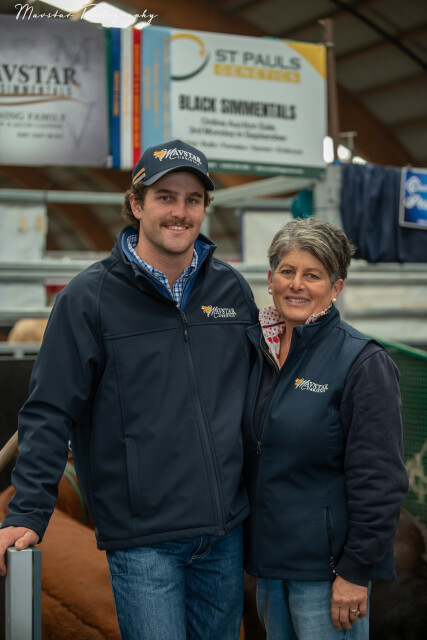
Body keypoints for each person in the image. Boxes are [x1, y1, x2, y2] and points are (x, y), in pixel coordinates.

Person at [0, 139, 258, 640]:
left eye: (193, 199)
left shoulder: (231, 290)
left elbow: (256, 400)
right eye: (166, 197)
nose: (180, 211)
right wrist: (28, 510)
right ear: (137, 204)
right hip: (144, 539)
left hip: (223, 533)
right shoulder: (88, 299)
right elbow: (49, 411)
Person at [241, 217, 409, 639]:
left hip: (328, 576)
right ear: (270, 280)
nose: (296, 284)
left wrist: (355, 571)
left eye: (312, 275)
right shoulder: (256, 351)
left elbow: (381, 480)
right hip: (270, 568)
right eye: (287, 271)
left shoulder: (363, 363)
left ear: (336, 288)